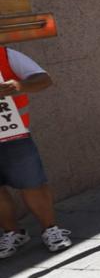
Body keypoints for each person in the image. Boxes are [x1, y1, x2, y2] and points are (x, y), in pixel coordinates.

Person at [0, 47, 71, 258]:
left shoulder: (6, 55)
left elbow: (43, 79)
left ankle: (50, 229)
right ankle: (12, 233)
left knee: (32, 184)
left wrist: (19, 86)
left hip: (13, 134)